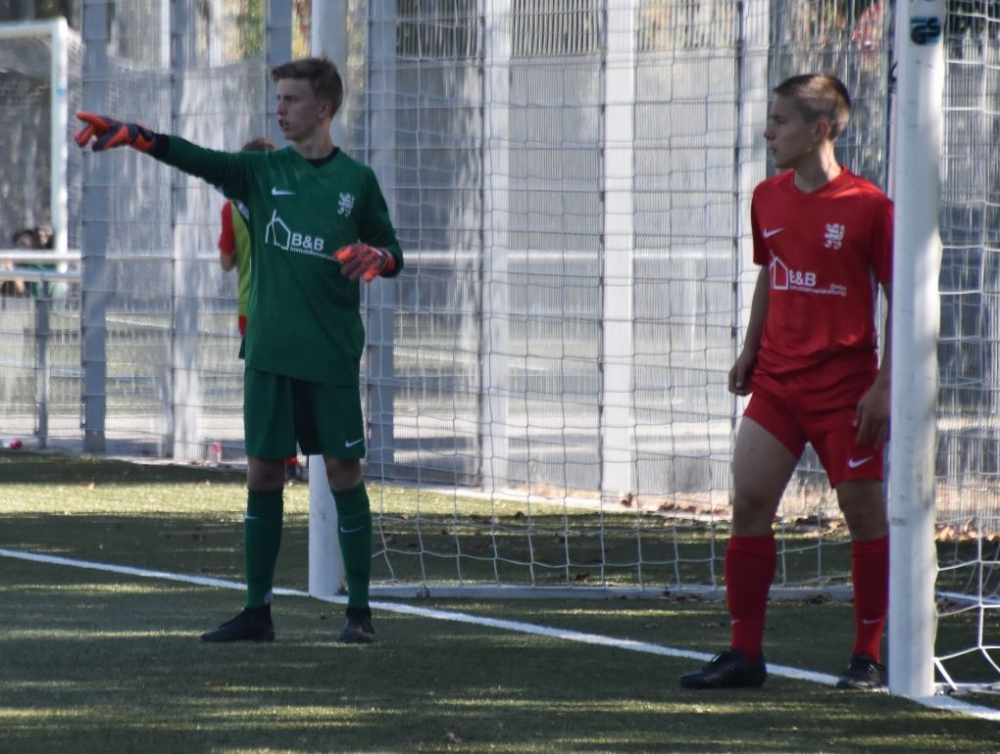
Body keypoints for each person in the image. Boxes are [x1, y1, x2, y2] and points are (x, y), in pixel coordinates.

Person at [74, 56, 404, 645]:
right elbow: (199, 158)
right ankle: (257, 612)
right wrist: (138, 136)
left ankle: (359, 613)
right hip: (269, 353)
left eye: (291, 100)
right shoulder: (260, 171)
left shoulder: (356, 181)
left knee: (343, 472)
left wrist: (380, 257)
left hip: (330, 354)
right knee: (263, 473)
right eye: (278, 99)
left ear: (324, 108)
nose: (280, 109)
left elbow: (391, 249)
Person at [679, 73, 893, 691]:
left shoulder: (869, 206)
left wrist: (883, 386)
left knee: (864, 516)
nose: (768, 132)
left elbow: (901, 299)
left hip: (845, 391)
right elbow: (772, 273)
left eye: (780, 121)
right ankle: (744, 654)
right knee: (749, 502)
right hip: (777, 382)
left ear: (819, 130)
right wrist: (751, 349)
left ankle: (868, 656)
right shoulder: (766, 197)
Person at [217, 136, 298, 479]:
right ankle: (294, 459)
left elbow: (226, 261)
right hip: (291, 306)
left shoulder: (231, 208)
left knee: (264, 386)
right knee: (294, 381)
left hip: (250, 308)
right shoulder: (292, 204)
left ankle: (269, 457)